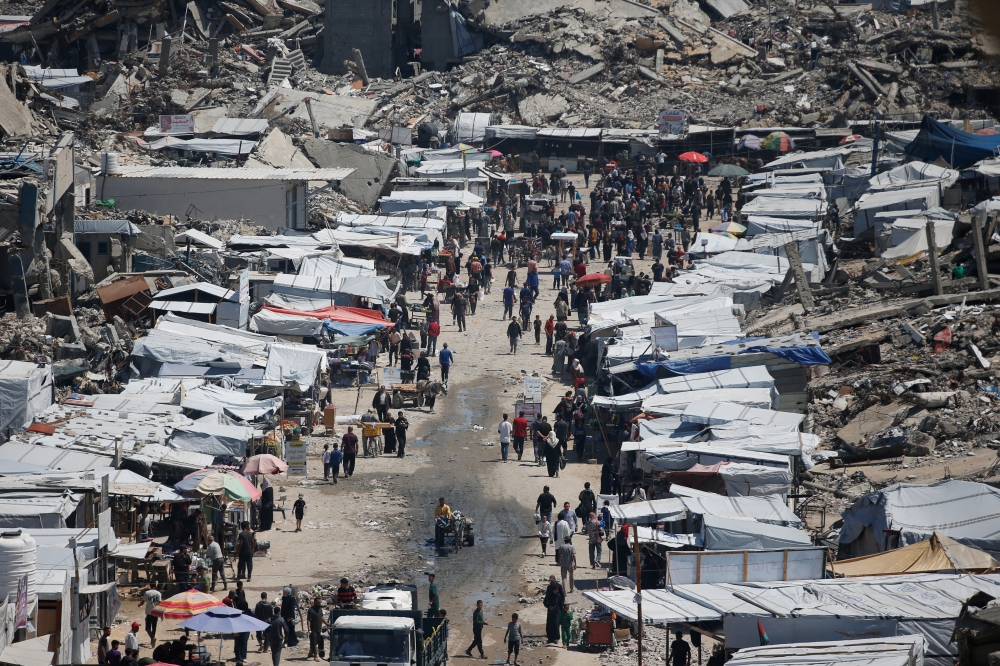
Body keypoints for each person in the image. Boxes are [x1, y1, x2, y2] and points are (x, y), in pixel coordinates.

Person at [543, 577, 565, 645]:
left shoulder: (559, 589)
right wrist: (548, 606)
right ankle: (550, 638)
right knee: (550, 624)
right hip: (550, 609)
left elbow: (562, 598)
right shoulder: (549, 589)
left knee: (556, 624)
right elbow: (546, 600)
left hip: (557, 609)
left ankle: (556, 638)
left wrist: (562, 608)